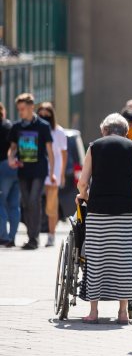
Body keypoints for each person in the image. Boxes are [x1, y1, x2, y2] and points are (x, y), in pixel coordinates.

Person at [76, 113, 132, 323]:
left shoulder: (95, 146)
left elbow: (82, 183)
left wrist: (87, 197)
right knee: (124, 259)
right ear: (125, 132)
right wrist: (130, 196)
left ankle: (94, 312)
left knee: (96, 258)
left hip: (98, 211)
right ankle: (123, 312)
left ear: (103, 131)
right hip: (126, 212)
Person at [7, 93, 54, 250]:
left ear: (31, 107)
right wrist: (10, 159)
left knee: (34, 200)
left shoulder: (43, 126)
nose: (20, 112)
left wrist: (52, 172)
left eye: (23, 109)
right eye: (18, 109)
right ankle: (31, 237)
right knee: (27, 203)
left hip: (39, 170)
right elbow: (12, 149)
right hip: (22, 170)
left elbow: (50, 150)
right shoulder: (16, 127)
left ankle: (34, 238)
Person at [37, 102, 67, 248]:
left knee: (51, 206)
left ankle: (51, 234)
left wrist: (61, 174)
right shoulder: (37, 129)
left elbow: (64, 154)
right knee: (34, 203)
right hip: (37, 171)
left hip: (53, 173)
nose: (43, 115)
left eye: (46, 112)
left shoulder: (59, 132)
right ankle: (34, 235)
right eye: (40, 112)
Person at [0, 103, 20, 248]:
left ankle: (3, 236)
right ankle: (12, 237)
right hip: (15, 166)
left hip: (2, 166)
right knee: (14, 205)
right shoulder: (11, 126)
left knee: (0, 202)